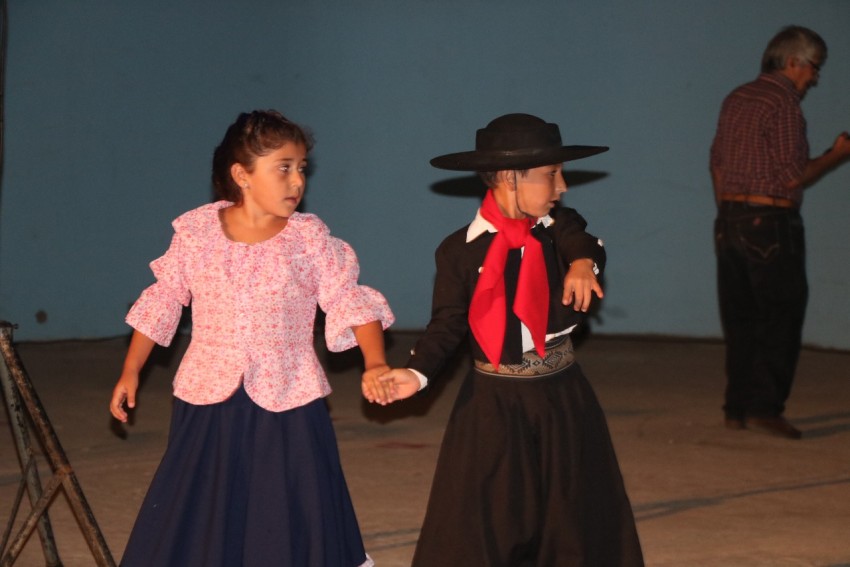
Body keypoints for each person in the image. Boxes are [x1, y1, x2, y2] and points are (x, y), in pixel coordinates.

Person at [109, 109, 394, 566]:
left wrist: (375, 361)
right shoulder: (197, 233)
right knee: (206, 506)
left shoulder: (309, 239)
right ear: (241, 175)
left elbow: (348, 300)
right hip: (208, 396)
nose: (297, 181)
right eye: (283, 167)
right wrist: (130, 371)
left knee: (287, 507)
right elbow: (164, 299)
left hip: (289, 394)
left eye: (302, 168)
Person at [370, 113, 644, 566]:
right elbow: (449, 324)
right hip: (492, 400)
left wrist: (580, 264)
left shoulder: (560, 232)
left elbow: (584, 241)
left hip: (562, 398)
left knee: (572, 516)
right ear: (508, 178)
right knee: (488, 516)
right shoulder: (459, 250)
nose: (562, 186)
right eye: (550, 175)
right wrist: (416, 375)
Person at [710, 26, 850, 439]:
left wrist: (728, 211)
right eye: (814, 68)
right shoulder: (785, 103)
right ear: (793, 62)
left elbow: (716, 162)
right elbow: (793, 177)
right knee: (780, 317)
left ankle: (735, 407)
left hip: (729, 220)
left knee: (740, 319)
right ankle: (764, 408)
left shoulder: (736, 97)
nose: (815, 78)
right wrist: (837, 156)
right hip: (771, 224)